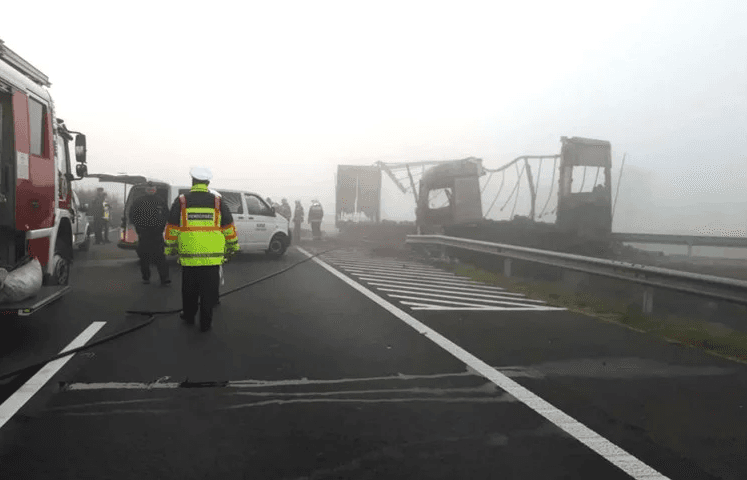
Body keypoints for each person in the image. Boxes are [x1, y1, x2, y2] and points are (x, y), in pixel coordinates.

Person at [164, 167, 239, 332]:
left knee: (189, 288)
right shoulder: (218, 202)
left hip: (189, 256)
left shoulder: (182, 201)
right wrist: (233, 246)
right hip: (213, 257)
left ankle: (189, 316)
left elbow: (172, 228)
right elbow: (228, 227)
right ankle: (206, 322)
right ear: (208, 182)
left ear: (193, 181)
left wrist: (170, 248)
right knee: (209, 290)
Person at [130, 182, 171, 285]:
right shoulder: (139, 201)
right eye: (149, 189)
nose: (151, 190)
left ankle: (164, 278)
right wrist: (139, 229)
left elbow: (166, 215)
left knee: (160, 257)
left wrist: (161, 228)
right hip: (144, 233)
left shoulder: (160, 201)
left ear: (155, 190)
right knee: (144, 257)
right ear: (146, 190)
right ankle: (146, 277)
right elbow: (132, 216)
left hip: (156, 234)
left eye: (152, 188)